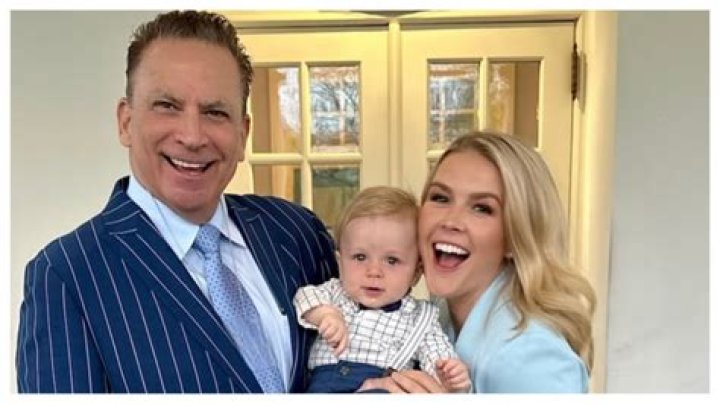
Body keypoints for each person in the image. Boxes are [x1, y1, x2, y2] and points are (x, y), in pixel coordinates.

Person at [15, 10, 338, 393]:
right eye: (167, 106)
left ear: (242, 134)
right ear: (126, 122)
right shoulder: (67, 275)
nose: (192, 136)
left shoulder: (296, 232)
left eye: (215, 112)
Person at [359, 131, 596, 393]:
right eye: (440, 198)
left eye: (482, 208)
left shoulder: (531, 360)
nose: (450, 221)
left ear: (515, 236)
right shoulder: (441, 312)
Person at [293, 186, 470, 393]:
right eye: (360, 257)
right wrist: (325, 314)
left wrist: (449, 374)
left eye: (392, 260)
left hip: (383, 388)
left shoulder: (420, 318)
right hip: (323, 386)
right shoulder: (335, 293)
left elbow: (438, 355)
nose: (374, 271)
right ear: (340, 263)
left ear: (416, 272)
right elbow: (304, 297)